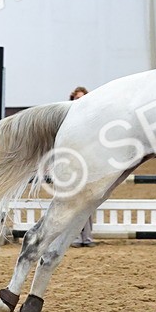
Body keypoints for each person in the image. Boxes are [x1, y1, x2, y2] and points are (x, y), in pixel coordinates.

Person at [69, 85, 94, 245]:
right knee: (73, 201)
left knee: (89, 201)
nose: (80, 101)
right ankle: (77, 236)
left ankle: (87, 237)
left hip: (89, 162)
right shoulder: (68, 118)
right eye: (77, 98)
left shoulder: (93, 118)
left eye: (83, 98)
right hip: (72, 163)